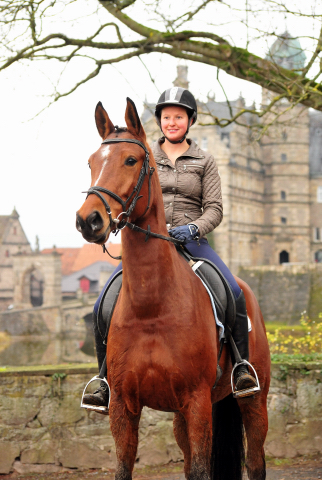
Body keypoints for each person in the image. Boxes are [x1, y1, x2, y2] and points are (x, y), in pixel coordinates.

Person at [82, 87, 258, 409]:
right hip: (149, 248)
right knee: (101, 305)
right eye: (166, 117)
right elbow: (127, 194)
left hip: (193, 243)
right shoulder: (143, 155)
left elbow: (215, 208)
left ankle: (242, 368)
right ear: (159, 122)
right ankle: (104, 380)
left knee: (233, 291)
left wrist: (192, 228)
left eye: (178, 117)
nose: (172, 122)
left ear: (189, 121)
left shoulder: (205, 160)